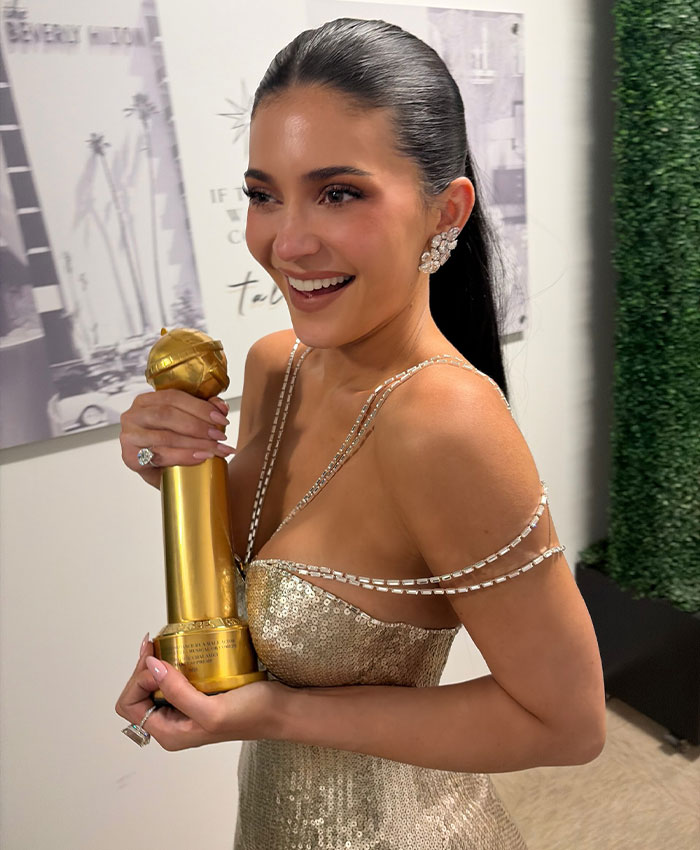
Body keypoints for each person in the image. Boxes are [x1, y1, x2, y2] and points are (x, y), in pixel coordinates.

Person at [116, 17, 606, 849]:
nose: (288, 241)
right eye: (263, 193)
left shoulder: (445, 424)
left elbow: (567, 724)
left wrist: (278, 711)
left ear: (443, 210)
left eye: (339, 193)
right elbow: (260, 575)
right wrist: (168, 471)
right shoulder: (279, 365)